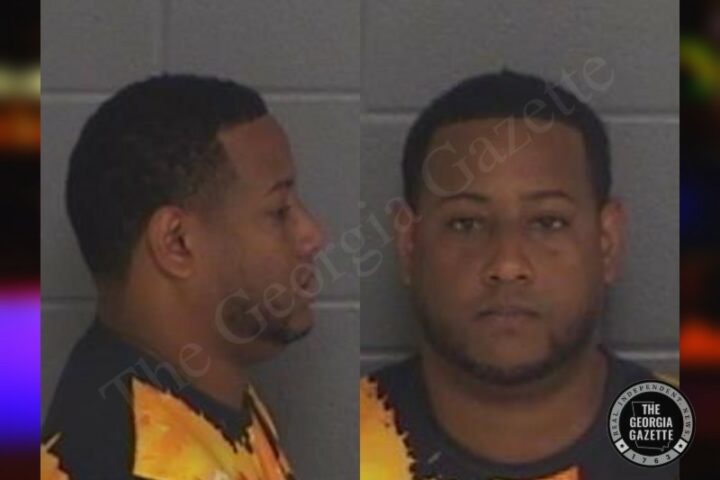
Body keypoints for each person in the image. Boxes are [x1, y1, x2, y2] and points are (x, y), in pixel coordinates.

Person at [360, 71, 678, 480]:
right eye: (465, 224)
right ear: (409, 244)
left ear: (607, 241)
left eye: (548, 222)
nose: (507, 265)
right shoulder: (349, 446)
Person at [41, 74, 325, 480]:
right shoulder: (125, 461)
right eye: (279, 211)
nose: (313, 235)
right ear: (176, 243)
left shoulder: (209, 394)